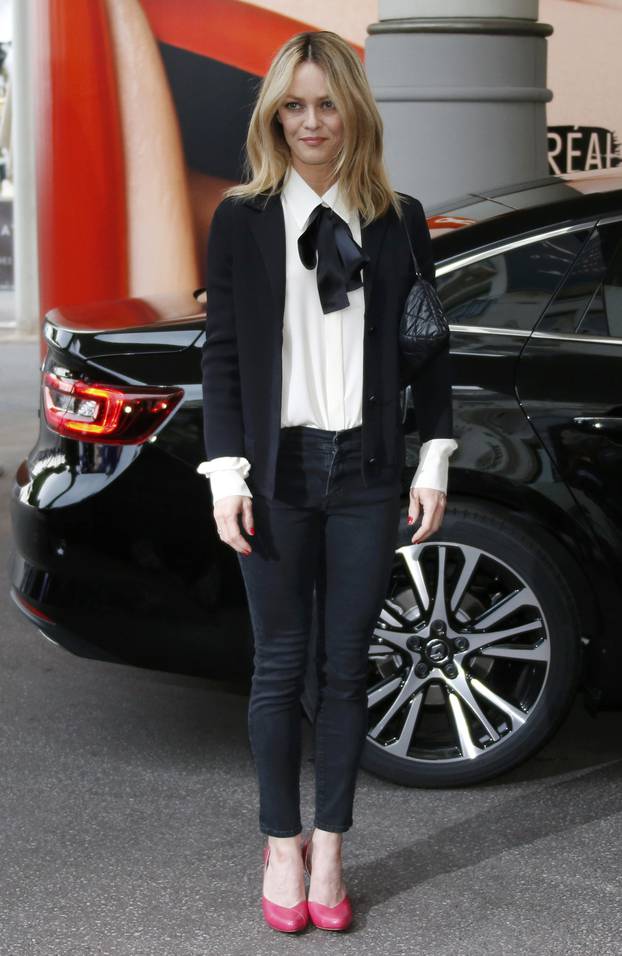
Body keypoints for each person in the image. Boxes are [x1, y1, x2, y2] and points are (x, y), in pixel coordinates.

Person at [196, 30, 458, 933]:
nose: (311, 121)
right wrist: (226, 475)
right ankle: (280, 844)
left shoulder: (397, 217)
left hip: (367, 470)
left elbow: (429, 352)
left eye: (327, 102)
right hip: (274, 472)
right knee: (279, 668)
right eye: (294, 104)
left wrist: (433, 460)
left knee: (347, 671)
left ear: (355, 109)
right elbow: (223, 358)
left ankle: (332, 844)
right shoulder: (241, 217)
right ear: (275, 114)